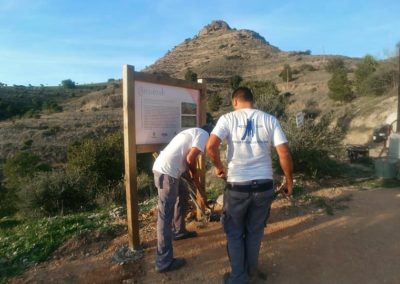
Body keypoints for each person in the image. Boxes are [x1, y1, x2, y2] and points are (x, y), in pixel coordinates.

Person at [206, 87, 293, 283]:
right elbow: (284, 153)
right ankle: (251, 270)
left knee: (235, 232)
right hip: (264, 186)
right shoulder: (270, 119)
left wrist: (219, 167)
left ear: (234, 101)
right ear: (252, 101)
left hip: (238, 186)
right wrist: (289, 182)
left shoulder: (228, 119)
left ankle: (238, 277)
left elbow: (211, 146)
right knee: (255, 231)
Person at [153, 125, 212, 273]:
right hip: (167, 174)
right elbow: (190, 158)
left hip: (168, 171)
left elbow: (183, 158)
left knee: (183, 194)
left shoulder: (192, 132)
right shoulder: (204, 134)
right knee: (165, 216)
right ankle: (164, 261)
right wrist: (194, 172)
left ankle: (179, 231)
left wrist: (191, 177)